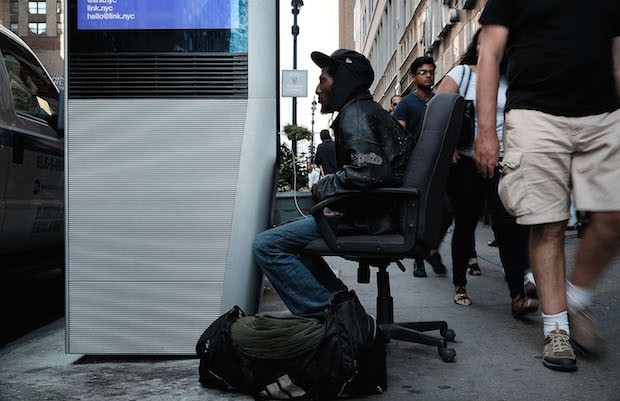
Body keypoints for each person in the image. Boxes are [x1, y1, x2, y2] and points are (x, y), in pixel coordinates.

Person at [476, 0, 620, 372]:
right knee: (549, 223)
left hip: (604, 115)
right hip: (535, 114)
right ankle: (556, 329)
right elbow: (489, 55)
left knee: (613, 217)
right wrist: (487, 133)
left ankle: (577, 295)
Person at [253, 49, 416, 316]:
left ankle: (337, 320)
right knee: (293, 240)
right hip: (382, 215)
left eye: (323, 81)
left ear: (343, 83)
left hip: (372, 221)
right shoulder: (366, 110)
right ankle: (345, 310)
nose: (318, 90)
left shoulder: (356, 116)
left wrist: (322, 186)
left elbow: (368, 172)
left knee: (267, 244)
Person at [437, 28, 537, 316]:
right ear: (478, 42)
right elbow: (440, 111)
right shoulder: (462, 74)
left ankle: (518, 294)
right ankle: (459, 284)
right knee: (465, 223)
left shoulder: (510, 78)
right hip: (466, 161)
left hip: (503, 160)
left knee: (508, 225)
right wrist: (449, 149)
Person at [393, 56, 449, 278]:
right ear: (414, 76)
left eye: (431, 71)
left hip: (440, 165)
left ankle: (431, 248)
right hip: (416, 166)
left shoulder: (438, 101)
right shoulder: (407, 103)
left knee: (447, 211)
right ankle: (419, 260)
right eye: (423, 72)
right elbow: (398, 136)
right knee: (417, 214)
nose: (428, 76)